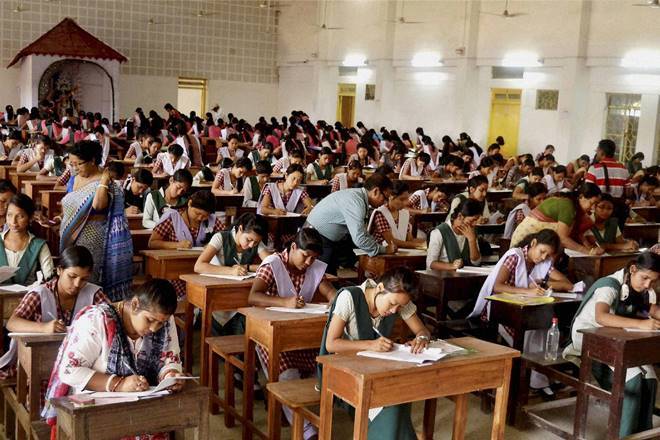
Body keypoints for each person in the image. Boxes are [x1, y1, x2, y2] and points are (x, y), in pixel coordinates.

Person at [42, 279, 186, 435]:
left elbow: (170, 358)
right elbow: (69, 371)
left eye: (160, 323)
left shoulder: (165, 321)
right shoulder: (97, 320)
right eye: (149, 320)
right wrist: (118, 384)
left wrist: (170, 375)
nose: (154, 328)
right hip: (98, 414)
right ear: (135, 304)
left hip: (143, 411)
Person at [319, 267, 431, 440]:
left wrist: (421, 338)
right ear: (380, 288)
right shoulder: (350, 297)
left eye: (399, 306)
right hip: (344, 373)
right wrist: (370, 345)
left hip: (375, 371)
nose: (394, 310)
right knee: (390, 402)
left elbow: (422, 330)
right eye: (392, 304)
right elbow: (331, 344)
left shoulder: (400, 299)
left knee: (403, 393)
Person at [248, 228, 336, 440]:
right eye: (305, 256)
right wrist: (284, 302)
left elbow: (330, 292)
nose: (308, 262)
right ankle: (307, 430)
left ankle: (306, 417)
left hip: (300, 336)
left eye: (313, 258)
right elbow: (253, 297)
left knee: (322, 374)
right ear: (294, 247)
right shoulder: (273, 264)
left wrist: (336, 301)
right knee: (288, 377)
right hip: (271, 335)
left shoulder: (313, 267)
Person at [563, 252, 660, 438]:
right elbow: (601, 316)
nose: (648, 285)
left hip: (615, 339)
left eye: (653, 281)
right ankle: (622, 435)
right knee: (633, 381)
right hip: (588, 339)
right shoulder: (609, 285)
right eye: (645, 278)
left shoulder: (637, 287)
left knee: (650, 379)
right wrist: (641, 324)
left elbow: (651, 309)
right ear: (633, 269)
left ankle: (641, 434)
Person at [469, 229, 574, 394]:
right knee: (530, 333)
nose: (543, 257)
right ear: (533, 243)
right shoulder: (515, 257)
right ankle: (535, 381)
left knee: (545, 328)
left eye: (548, 255)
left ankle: (539, 379)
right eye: (542, 251)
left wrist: (545, 284)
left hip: (526, 313)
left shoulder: (542, 263)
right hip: (501, 313)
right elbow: (498, 286)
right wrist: (527, 291)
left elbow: (567, 284)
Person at [0, 246, 108, 379]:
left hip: (81, 362)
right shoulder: (40, 294)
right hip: (43, 361)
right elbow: (12, 323)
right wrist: (44, 327)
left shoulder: (94, 294)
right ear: (59, 270)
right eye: (72, 276)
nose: (77, 284)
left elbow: (111, 318)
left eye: (84, 279)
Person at [58, 140, 133, 300]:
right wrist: (60, 219)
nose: (75, 168)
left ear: (92, 160)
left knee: (87, 281)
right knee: (70, 279)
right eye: (72, 164)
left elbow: (98, 205)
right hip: (71, 238)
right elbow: (70, 205)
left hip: (93, 240)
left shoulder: (106, 182)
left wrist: (104, 180)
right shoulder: (74, 178)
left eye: (78, 164)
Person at [306, 174, 396, 275]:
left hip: (325, 237)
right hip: (316, 237)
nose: (385, 203)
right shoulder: (356, 202)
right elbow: (359, 238)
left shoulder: (358, 197)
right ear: (376, 191)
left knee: (330, 276)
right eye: (385, 198)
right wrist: (383, 249)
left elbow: (362, 232)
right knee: (323, 278)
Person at [511, 183, 603, 255]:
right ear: (581, 196)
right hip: (524, 245)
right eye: (592, 203)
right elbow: (562, 238)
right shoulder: (568, 205)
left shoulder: (573, 206)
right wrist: (588, 252)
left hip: (536, 244)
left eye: (596, 204)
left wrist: (590, 248)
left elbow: (577, 233)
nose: (593, 208)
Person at [0, 194, 54, 285]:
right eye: (9, 215)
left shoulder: (38, 245)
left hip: (29, 293)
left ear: (30, 218)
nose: (13, 221)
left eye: (20, 216)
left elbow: (50, 278)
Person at [427, 199, 482, 270]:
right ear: (459, 216)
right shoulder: (439, 232)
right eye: (472, 220)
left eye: (476, 220)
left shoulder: (471, 232)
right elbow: (430, 263)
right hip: (444, 275)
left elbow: (476, 262)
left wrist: (472, 240)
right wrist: (452, 266)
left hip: (466, 276)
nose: (474, 224)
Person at [368, 181, 425, 249]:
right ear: (391, 197)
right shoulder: (380, 213)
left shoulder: (404, 213)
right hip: (383, 253)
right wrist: (419, 245)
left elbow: (409, 239)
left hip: (400, 252)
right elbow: (391, 241)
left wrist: (427, 242)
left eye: (406, 199)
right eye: (402, 199)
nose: (405, 203)